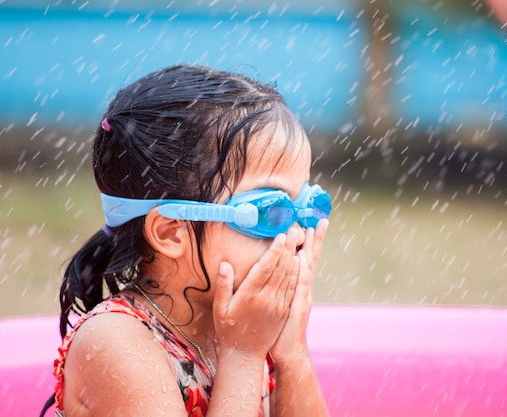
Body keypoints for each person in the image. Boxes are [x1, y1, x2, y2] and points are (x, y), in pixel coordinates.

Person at [45, 64, 332, 417]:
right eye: (270, 212)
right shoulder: (116, 342)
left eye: (307, 207)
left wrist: (291, 354)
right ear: (171, 232)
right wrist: (242, 356)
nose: (297, 234)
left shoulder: (247, 326)